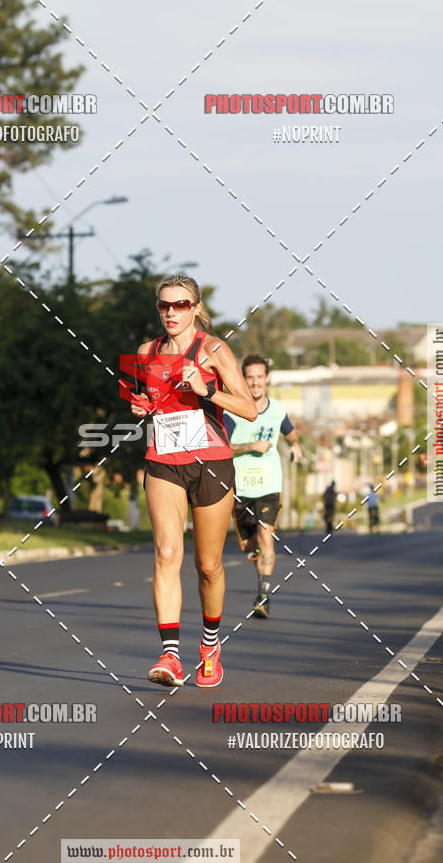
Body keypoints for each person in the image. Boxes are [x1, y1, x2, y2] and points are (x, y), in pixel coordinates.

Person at [130, 275, 257, 689]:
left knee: (208, 565)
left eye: (181, 305)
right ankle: (170, 655)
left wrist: (207, 391)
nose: (171, 312)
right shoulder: (147, 352)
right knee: (167, 552)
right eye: (164, 305)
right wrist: (140, 405)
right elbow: (146, 399)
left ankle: (209, 645)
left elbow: (249, 409)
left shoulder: (215, 350)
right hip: (164, 459)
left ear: (196, 308)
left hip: (211, 463)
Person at [223, 355, 302, 619]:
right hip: (240, 487)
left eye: (259, 377)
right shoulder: (233, 411)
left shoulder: (277, 410)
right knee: (248, 545)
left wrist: (296, 447)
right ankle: (254, 549)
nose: (255, 383)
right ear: (243, 379)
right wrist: (249, 447)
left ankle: (263, 597)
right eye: (250, 377)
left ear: (267, 378)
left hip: (269, 484)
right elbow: (221, 447)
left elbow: (290, 433)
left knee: (266, 535)